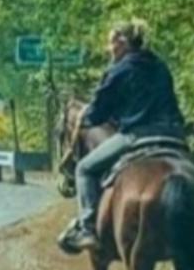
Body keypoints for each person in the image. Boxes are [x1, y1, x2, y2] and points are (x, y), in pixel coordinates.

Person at [56, 19, 186, 255]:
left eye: (111, 43)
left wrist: (89, 116)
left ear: (122, 42)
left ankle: (87, 229)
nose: (109, 49)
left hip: (137, 136)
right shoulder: (159, 66)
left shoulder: (119, 70)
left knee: (84, 169)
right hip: (174, 134)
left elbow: (97, 114)